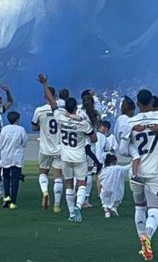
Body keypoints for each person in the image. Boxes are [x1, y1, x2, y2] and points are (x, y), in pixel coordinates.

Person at [119, 89, 158, 261]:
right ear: (153, 102)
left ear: (137, 104)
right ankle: (148, 239)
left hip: (137, 172)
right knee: (154, 210)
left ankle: (142, 241)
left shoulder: (130, 122)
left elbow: (122, 150)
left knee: (139, 207)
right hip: (155, 172)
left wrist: (134, 151)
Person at [37, 74, 97, 223]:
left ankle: (71, 213)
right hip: (79, 157)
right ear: (76, 108)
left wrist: (45, 84)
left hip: (65, 157)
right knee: (81, 183)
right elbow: (94, 138)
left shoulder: (60, 117)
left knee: (68, 185)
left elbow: (52, 102)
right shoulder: (83, 123)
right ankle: (77, 206)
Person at [31, 85, 64, 212]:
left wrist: (42, 127)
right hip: (59, 148)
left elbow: (34, 127)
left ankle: (45, 192)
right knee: (58, 177)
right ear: (54, 96)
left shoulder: (39, 110)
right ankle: (56, 205)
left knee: (43, 173)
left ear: (45, 96)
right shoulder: (60, 110)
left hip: (45, 148)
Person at [0, 112, 27, 209]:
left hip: (6, 156)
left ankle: (6, 200)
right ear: (17, 119)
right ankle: (13, 202)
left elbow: (1, 142)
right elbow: (24, 143)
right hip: (16, 157)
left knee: (6, 179)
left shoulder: (4, 129)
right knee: (15, 180)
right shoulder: (21, 129)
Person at [99, 153, 130, 218]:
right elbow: (127, 168)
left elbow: (100, 179)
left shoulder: (104, 170)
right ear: (115, 161)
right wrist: (134, 161)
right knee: (115, 199)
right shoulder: (117, 168)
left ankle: (107, 212)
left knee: (105, 202)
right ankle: (113, 208)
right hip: (115, 188)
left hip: (105, 188)